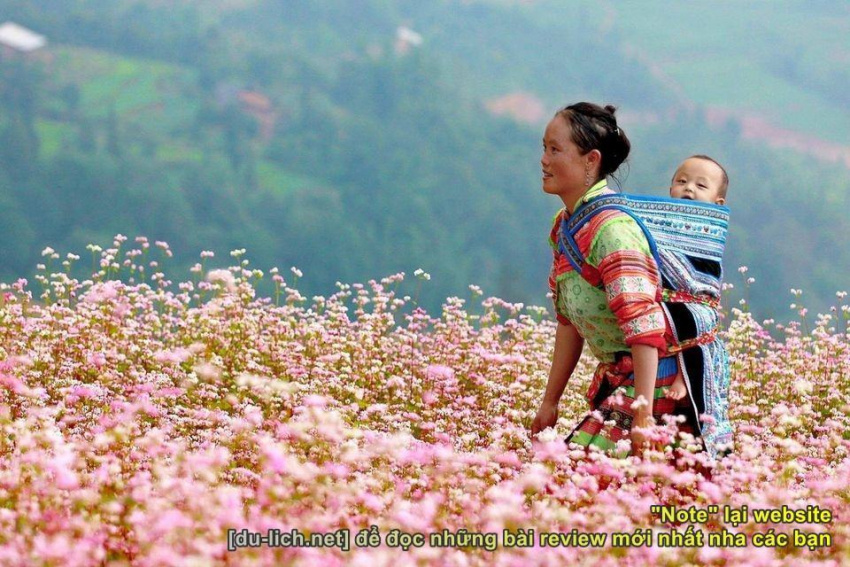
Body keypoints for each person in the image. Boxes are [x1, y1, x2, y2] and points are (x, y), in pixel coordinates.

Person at [530, 102, 698, 457]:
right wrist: (550, 402)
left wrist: (643, 416)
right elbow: (569, 321)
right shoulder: (565, 227)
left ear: (591, 160)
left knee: (588, 489)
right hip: (622, 383)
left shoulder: (613, 231)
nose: (544, 160)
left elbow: (644, 329)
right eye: (544, 148)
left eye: (555, 149)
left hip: (658, 389)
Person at [665, 154, 728, 401]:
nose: (688, 188)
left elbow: (706, 278)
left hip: (695, 301)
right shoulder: (659, 223)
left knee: (694, 318)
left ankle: (686, 373)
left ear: (718, 202)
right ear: (671, 189)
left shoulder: (709, 239)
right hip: (659, 298)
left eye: (701, 185)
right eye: (681, 181)